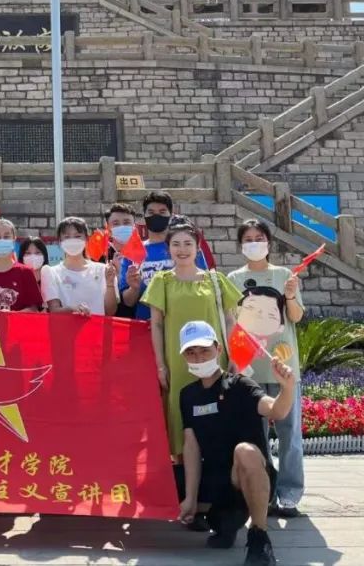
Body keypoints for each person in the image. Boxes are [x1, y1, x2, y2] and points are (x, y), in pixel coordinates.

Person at [177, 320, 296, 565]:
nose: (198, 358)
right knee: (169, 478)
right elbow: (191, 446)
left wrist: (287, 388)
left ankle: (259, 537)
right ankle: (222, 523)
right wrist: (190, 497)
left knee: (244, 451)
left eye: (204, 351)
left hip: (247, 475)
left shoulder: (240, 386)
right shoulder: (188, 395)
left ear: (218, 349)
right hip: (215, 480)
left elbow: (276, 410)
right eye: (191, 352)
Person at [142, 220, 241, 457]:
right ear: (168, 249)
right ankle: (182, 468)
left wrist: (235, 355)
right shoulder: (161, 281)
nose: (182, 249)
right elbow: (156, 325)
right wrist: (160, 365)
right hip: (178, 361)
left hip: (214, 358)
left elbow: (230, 320)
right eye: (176, 244)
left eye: (188, 243)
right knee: (179, 411)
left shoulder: (216, 280)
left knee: (218, 406)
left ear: (198, 248)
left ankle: (219, 464)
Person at [228, 219, 305, 518]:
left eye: (258, 238)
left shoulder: (284, 275)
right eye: (248, 239)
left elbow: (295, 317)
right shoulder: (233, 279)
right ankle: (265, 492)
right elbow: (231, 322)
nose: (254, 243)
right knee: (255, 437)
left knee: (290, 434)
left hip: (284, 368)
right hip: (250, 369)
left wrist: (290, 295)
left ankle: (290, 494)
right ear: (240, 245)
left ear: (269, 243)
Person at [119, 191, 208, 321]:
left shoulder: (187, 249)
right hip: (145, 326)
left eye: (162, 212)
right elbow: (128, 302)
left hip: (183, 322)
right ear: (144, 216)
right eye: (151, 212)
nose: (156, 216)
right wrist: (134, 288)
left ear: (171, 215)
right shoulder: (132, 252)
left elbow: (204, 285)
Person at [41, 217, 117, 316]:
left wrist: (110, 284)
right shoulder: (51, 273)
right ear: (60, 241)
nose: (72, 240)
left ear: (86, 239)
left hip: (97, 326)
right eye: (67, 237)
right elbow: (54, 311)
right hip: (67, 326)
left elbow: (110, 311)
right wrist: (73, 309)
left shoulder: (103, 270)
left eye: (77, 236)